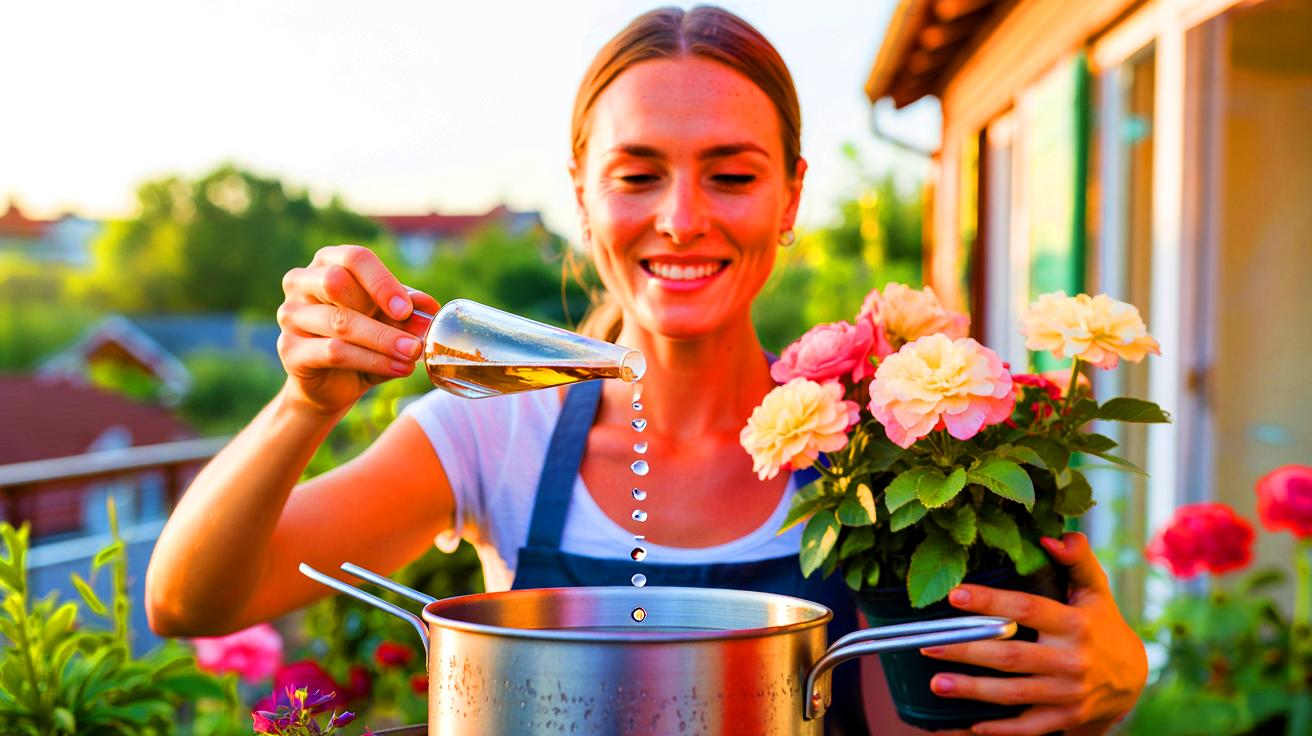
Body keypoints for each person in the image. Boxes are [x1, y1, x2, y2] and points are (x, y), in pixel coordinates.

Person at [145, 6, 1147, 735]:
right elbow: (191, 603)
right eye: (636, 175)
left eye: (731, 172)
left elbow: (941, 712)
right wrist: (302, 401)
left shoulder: (886, 449)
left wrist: (1103, 681)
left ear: (791, 194)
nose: (680, 217)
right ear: (582, 193)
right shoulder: (498, 432)